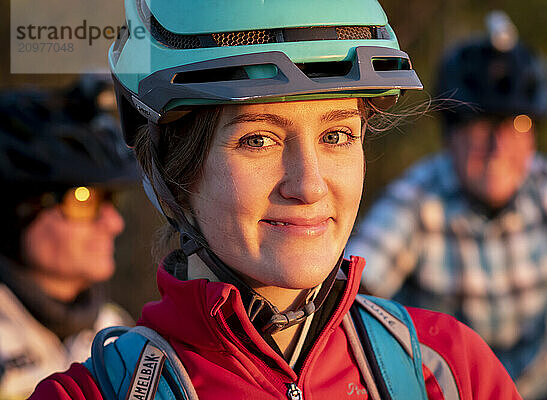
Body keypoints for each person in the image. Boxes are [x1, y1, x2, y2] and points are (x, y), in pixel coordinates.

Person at [30, 2, 521, 399]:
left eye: (337, 135)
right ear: (173, 171)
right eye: (257, 140)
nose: (308, 185)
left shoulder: (451, 371)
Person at [346, 11, 547, 400]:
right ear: (450, 134)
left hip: (545, 386)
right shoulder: (417, 199)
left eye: (517, 125)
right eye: (481, 125)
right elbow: (350, 291)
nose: (499, 148)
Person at [0, 77, 137, 399]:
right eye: (82, 199)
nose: (114, 223)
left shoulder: (116, 331)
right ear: (16, 209)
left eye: (112, 199)